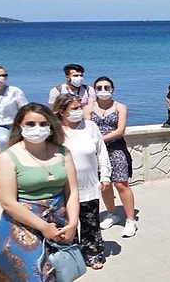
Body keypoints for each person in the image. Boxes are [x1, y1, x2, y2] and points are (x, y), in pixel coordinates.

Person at [0, 103, 80, 281]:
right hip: (22, 226)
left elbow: (72, 191)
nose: (37, 128)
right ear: (20, 126)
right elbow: (8, 202)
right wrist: (43, 227)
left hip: (60, 223)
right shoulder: (8, 157)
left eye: (43, 124)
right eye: (30, 124)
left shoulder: (63, 153)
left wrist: (73, 223)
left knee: (61, 272)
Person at [53, 93, 111, 269]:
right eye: (74, 108)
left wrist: (105, 175)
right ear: (62, 112)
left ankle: (93, 255)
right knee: (66, 223)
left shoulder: (90, 127)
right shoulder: (54, 131)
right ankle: (70, 257)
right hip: (63, 188)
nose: (79, 111)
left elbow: (101, 152)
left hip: (89, 185)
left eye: (80, 107)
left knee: (90, 223)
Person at [84, 76, 137, 237]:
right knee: (104, 184)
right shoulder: (87, 108)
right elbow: (87, 128)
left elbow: (120, 130)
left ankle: (130, 220)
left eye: (107, 87)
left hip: (115, 148)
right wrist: (96, 145)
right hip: (95, 152)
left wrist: (100, 140)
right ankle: (111, 213)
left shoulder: (121, 107)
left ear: (112, 89)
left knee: (121, 183)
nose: (103, 91)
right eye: (99, 88)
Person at [0, 65, 28, 152]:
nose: (1, 78)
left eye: (4, 75)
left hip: (15, 125)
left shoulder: (15, 91)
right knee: (4, 140)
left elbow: (24, 109)